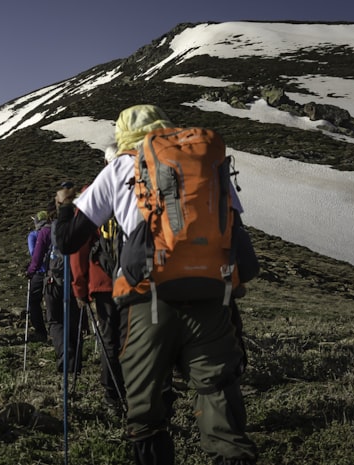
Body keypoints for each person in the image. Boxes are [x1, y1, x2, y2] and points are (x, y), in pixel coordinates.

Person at [51, 104, 257, 465]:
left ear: (123, 136)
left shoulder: (120, 166)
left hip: (147, 301)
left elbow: (68, 240)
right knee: (218, 399)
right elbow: (242, 247)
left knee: (146, 411)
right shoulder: (205, 167)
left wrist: (65, 207)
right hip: (211, 298)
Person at [68, 185, 125, 414]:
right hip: (139, 278)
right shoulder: (141, 185)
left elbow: (79, 246)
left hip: (104, 282)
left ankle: (113, 397)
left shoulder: (93, 194)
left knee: (110, 340)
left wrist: (79, 288)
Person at [28, 205, 81, 374]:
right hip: (73, 280)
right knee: (72, 320)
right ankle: (76, 362)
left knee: (55, 321)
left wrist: (30, 272)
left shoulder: (44, 232)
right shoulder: (75, 229)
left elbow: (36, 257)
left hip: (53, 281)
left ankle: (65, 357)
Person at [23, 210, 50, 343]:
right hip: (54, 272)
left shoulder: (33, 235)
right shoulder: (54, 232)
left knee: (34, 302)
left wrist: (30, 270)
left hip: (39, 272)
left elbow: (34, 254)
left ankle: (41, 332)